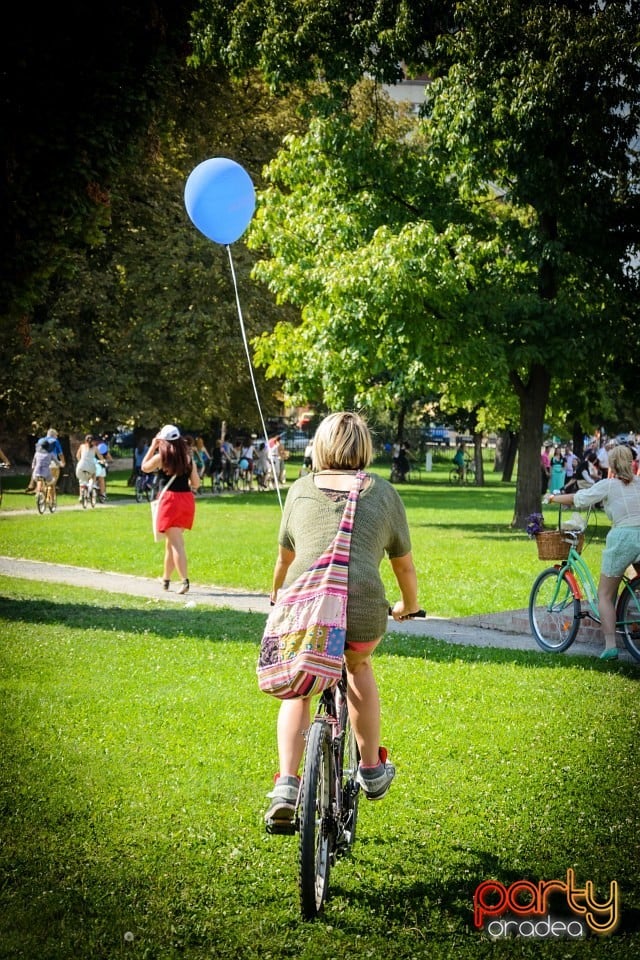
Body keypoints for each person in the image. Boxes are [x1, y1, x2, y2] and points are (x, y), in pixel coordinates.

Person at [264, 411, 420, 824]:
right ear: (364, 449)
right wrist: (408, 605)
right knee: (358, 667)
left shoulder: (299, 491)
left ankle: (287, 783)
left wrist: (277, 594)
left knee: (299, 689)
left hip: (307, 610)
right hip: (364, 611)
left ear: (320, 446)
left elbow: (285, 560)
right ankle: (370, 767)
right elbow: (403, 566)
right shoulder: (384, 494)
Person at [546, 443, 640, 660]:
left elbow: (579, 498)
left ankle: (610, 646)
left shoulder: (608, 485)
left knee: (605, 595)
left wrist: (553, 498)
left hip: (623, 538)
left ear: (613, 465)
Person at [140, 424, 200, 595]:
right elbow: (196, 484)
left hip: (169, 501)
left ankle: (184, 581)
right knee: (171, 542)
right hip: (186, 501)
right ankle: (166, 579)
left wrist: (153, 446)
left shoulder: (162, 457)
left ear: (163, 441)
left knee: (177, 544)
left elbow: (144, 467)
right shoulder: (188, 458)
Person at [75, 435, 99, 501]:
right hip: (91, 466)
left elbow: (77, 456)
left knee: (82, 481)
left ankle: (81, 496)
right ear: (93, 441)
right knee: (93, 475)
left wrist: (81, 462)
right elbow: (100, 457)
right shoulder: (95, 448)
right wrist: (103, 461)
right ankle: (92, 485)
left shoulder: (82, 446)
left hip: (81, 466)